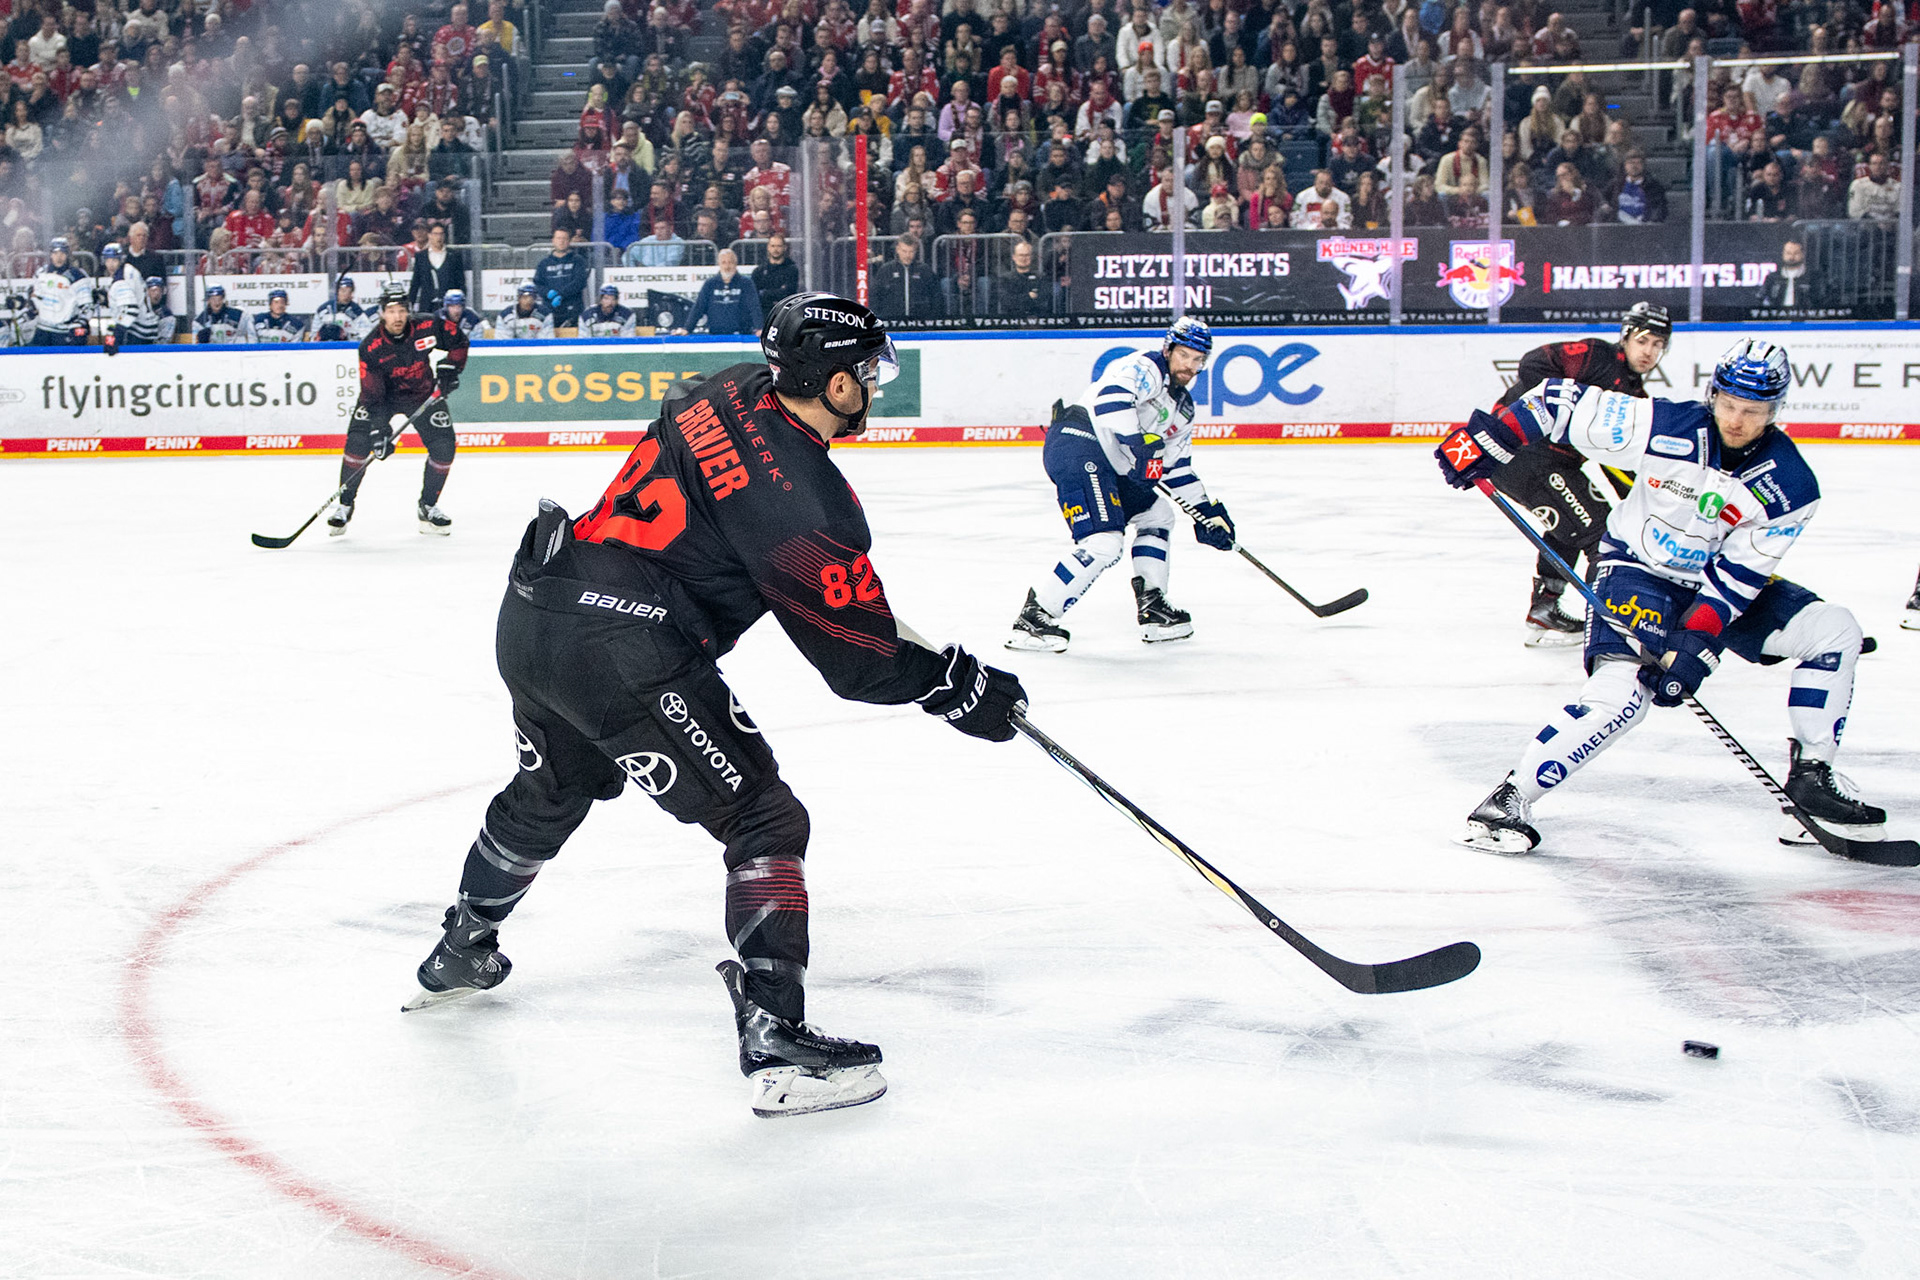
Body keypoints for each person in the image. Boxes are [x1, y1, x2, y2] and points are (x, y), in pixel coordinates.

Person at [401, 292, 1027, 1119]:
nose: (874, 383)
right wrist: (956, 687)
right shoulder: (809, 504)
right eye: (866, 370)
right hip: (623, 645)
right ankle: (775, 1041)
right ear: (835, 385)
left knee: (549, 792)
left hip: (537, 610)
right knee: (764, 820)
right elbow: (857, 663)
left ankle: (461, 947)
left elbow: (706, 453)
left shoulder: (726, 387)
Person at [1438, 338, 1894, 854]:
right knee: (1626, 697)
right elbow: (1558, 401)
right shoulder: (1663, 424)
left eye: (1754, 411)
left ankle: (1812, 780)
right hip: (1635, 571)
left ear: (1776, 410)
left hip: (1711, 585)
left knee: (1835, 629)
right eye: (1728, 405)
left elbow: (1739, 578)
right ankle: (1508, 801)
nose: (1738, 421)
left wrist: (1695, 643)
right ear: (1712, 395)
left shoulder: (1791, 486)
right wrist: (1490, 436)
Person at [1006, 317, 1233, 652]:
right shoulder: (1146, 367)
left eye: (1199, 359)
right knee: (1104, 541)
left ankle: (1153, 606)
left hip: (1109, 462)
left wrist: (1207, 512)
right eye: (1185, 355)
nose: (1191, 365)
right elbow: (1110, 402)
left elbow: (1177, 468)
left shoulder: (1183, 409)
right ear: (1168, 349)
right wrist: (1140, 444)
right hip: (1078, 441)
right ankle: (1034, 618)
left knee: (1159, 516)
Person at [1490, 301, 1672, 646]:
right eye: (1644, 340)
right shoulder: (1595, 355)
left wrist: (1649, 502)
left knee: (1578, 524)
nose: (1649, 351)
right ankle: (1607, 622)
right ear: (1626, 337)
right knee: (1600, 534)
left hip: (1552, 464)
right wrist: (1565, 405)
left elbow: (1616, 461)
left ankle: (1545, 609)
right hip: (1520, 453)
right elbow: (1532, 364)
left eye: (1658, 344)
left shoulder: (1635, 397)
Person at [327, 285, 469, 537]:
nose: (398, 317)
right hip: (383, 399)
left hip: (422, 394)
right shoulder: (371, 347)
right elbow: (373, 395)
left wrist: (450, 368)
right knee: (359, 442)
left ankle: (428, 506)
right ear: (382, 313)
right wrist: (379, 431)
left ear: (409, 312)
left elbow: (459, 341)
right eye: (391, 311)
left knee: (444, 446)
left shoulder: (428, 326)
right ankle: (345, 504)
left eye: (402, 310)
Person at [679, 249, 763, 335]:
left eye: (730, 262)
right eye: (723, 262)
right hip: (715, 335)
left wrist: (759, 327)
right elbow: (698, 307)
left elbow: (754, 306)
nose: (727, 266)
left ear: (735, 264)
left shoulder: (746, 283)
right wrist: (687, 328)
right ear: (719, 264)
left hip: (741, 334)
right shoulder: (710, 284)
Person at [28, 236, 88, 346]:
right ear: (51, 254)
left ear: (67, 254)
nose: (59, 257)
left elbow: (87, 306)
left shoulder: (77, 275)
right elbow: (33, 297)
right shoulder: (41, 273)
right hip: (43, 330)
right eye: (55, 253)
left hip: (64, 331)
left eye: (62, 253)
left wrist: (79, 325)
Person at [868, 234, 941, 321]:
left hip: (919, 321)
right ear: (897, 249)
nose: (907, 255)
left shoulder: (924, 270)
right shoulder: (886, 270)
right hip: (891, 320)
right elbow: (875, 296)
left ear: (916, 251)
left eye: (911, 252)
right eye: (904, 251)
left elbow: (936, 296)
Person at [533, 228, 590, 327]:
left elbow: (579, 282)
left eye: (564, 238)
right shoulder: (544, 263)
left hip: (573, 311)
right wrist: (547, 293)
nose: (561, 241)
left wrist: (560, 295)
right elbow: (538, 284)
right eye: (559, 238)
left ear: (569, 241)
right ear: (553, 241)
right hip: (550, 311)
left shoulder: (578, 260)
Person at [409, 223, 469, 311]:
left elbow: (460, 281)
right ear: (429, 235)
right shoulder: (421, 256)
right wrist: (410, 303)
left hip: (449, 305)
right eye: (436, 234)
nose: (439, 237)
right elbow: (416, 282)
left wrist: (460, 303)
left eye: (441, 234)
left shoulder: (454, 256)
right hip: (427, 305)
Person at [109, 275, 175, 347]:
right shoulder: (134, 309)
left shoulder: (166, 315)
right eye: (153, 290)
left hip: (151, 353)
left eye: (159, 290)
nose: (157, 294)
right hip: (129, 350)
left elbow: (163, 342)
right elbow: (117, 326)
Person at [310, 276, 375, 342]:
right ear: (336, 291)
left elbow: (365, 333)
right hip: (325, 347)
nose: (346, 294)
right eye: (343, 291)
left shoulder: (357, 311)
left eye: (349, 291)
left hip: (348, 347)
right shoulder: (323, 310)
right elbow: (314, 334)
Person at [1757, 238, 1813, 308]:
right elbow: (1761, 298)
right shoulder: (1772, 277)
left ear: (1802, 254)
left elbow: (1821, 301)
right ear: (1783, 254)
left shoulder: (1814, 277)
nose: (1791, 257)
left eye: (1796, 253)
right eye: (1788, 253)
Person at [751, 233, 800, 312]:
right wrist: (778, 291)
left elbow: (788, 292)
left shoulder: (792, 269)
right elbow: (754, 294)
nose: (775, 249)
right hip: (765, 312)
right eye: (773, 246)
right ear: (768, 247)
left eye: (779, 246)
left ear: (785, 247)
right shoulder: (759, 271)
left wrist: (765, 292)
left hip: (784, 312)